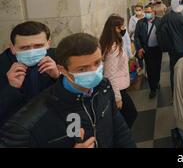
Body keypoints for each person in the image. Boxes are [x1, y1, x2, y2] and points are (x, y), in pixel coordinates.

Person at [0, 33, 136, 148]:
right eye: (82, 69)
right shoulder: (31, 119)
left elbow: (120, 130)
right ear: (62, 70)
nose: (94, 72)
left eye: (97, 63)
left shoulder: (104, 87)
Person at [0, 22, 60, 128]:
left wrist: (58, 77)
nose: (32, 52)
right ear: (13, 48)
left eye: (38, 46)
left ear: (48, 44)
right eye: (24, 48)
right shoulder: (3, 63)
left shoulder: (60, 57)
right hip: (13, 130)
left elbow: (79, 97)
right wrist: (11, 88)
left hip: (53, 125)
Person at [100, 15, 138, 128]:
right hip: (118, 90)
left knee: (124, 116)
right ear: (115, 29)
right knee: (130, 114)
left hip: (120, 88)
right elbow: (110, 75)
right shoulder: (113, 48)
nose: (124, 29)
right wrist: (118, 98)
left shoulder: (113, 43)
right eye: (121, 27)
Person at [134, 4, 163, 99]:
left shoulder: (159, 22)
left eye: (148, 12)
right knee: (150, 69)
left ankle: (157, 81)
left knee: (157, 67)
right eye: (145, 12)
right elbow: (136, 36)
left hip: (157, 49)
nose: (146, 14)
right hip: (146, 49)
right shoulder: (140, 23)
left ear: (154, 12)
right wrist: (139, 48)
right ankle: (152, 89)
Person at [160, 4, 183, 93]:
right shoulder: (182, 18)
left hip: (171, 49)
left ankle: (174, 92)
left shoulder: (165, 18)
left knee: (173, 70)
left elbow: (161, 32)